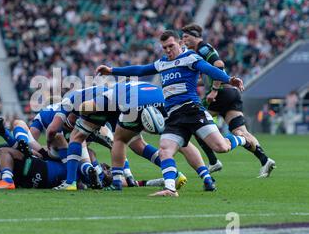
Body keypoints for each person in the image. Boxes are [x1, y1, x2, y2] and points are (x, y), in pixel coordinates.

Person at [96, 30, 247, 197]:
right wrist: (111, 71)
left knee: (221, 147)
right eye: (164, 47)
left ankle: (241, 138)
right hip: (174, 115)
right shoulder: (162, 63)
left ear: (180, 44)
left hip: (193, 111)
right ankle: (170, 189)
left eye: (171, 46)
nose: (168, 50)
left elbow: (209, 69)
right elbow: (140, 70)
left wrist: (229, 79)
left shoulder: (190, 58)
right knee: (165, 150)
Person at [181, 23, 276, 177]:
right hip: (231, 94)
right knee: (240, 131)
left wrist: (213, 90)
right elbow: (208, 76)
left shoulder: (203, 48)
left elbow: (219, 65)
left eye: (186, 37)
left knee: (195, 124)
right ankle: (265, 160)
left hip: (220, 94)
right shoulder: (199, 51)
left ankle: (213, 162)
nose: (184, 40)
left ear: (195, 36)